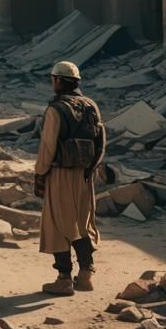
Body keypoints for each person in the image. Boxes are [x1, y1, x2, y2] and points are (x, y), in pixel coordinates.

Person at [35, 60, 106, 295]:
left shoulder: (56, 109)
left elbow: (48, 146)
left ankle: (64, 278)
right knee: (81, 224)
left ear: (57, 81)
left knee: (57, 225)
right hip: (85, 174)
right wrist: (91, 169)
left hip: (60, 174)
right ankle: (86, 273)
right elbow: (101, 142)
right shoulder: (90, 105)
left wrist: (40, 173)